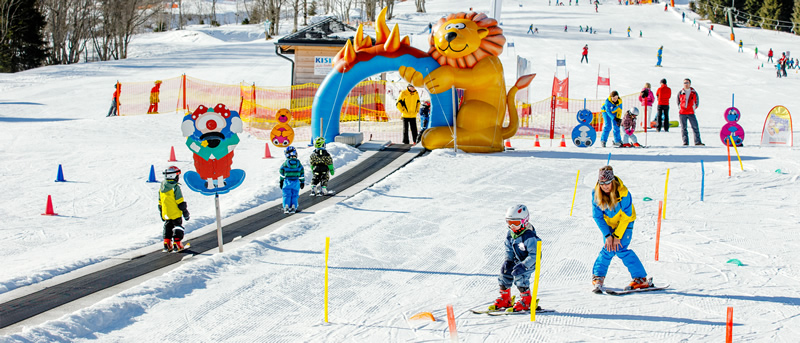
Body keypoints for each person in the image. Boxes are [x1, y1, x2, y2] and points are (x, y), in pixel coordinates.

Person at [591, 166, 652, 292]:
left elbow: (626, 216)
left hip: (626, 222)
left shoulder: (623, 193)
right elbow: (597, 216)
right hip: (609, 224)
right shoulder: (596, 193)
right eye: (602, 183)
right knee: (608, 248)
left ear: (612, 181)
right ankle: (598, 276)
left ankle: (640, 279)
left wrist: (617, 236)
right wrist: (608, 236)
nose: (605, 186)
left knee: (619, 248)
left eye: (607, 183)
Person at [489, 204, 542, 312]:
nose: (512, 226)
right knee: (504, 273)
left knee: (520, 275)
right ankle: (505, 298)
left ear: (524, 221)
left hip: (530, 262)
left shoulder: (529, 237)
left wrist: (524, 265)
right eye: (509, 222)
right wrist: (508, 261)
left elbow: (534, 255)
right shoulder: (511, 234)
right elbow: (509, 249)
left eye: (516, 223)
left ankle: (526, 300)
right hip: (517, 261)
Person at [158, 166, 190, 252]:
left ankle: (167, 243)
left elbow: (160, 202)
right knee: (177, 226)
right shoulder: (175, 187)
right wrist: (185, 212)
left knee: (168, 226)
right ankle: (177, 243)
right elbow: (180, 202)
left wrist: (161, 213)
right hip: (175, 212)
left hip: (166, 213)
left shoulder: (162, 187)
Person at [676, 78, 704, 146]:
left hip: (691, 112)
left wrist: (693, 108)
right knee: (683, 128)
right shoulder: (680, 92)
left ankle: (697, 141)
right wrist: (680, 108)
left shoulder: (693, 92)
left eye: (687, 83)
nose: (686, 84)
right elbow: (678, 101)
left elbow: (696, 102)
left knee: (695, 127)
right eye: (684, 83)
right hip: (682, 113)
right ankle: (685, 142)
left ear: (690, 84)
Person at [279, 146, 305, 213]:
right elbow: (302, 173)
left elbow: (281, 172)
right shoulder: (298, 164)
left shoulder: (285, 164)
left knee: (286, 194)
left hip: (287, 181)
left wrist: (281, 181)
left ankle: (286, 206)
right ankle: (294, 206)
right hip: (296, 181)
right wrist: (302, 182)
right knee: (295, 194)